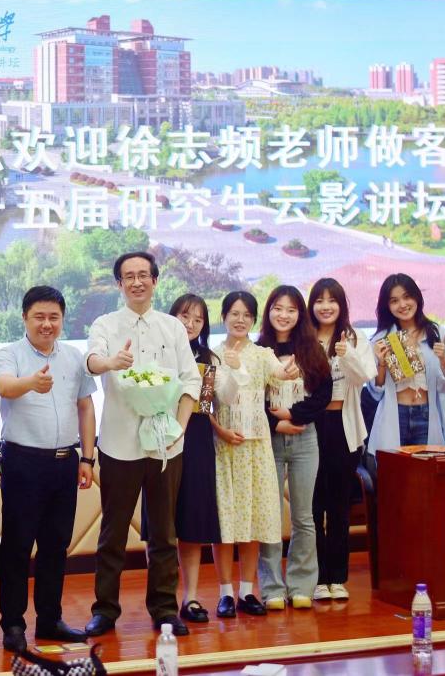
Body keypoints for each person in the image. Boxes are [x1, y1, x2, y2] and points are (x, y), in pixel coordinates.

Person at [84, 252, 201, 638]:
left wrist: (179, 428)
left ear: (154, 280)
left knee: (165, 533)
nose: (137, 282)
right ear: (119, 284)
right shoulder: (105, 324)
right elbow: (92, 360)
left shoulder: (172, 327)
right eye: (128, 277)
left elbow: (190, 380)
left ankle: (165, 609)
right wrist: (111, 362)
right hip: (119, 444)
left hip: (166, 445)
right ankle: (105, 611)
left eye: (143, 275)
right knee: (113, 533)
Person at [0, 286, 97, 653]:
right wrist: (31, 384)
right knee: (17, 546)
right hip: (23, 462)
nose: (47, 324)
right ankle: (13, 623)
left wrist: (87, 458)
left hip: (65, 462)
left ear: (63, 319)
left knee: (56, 545)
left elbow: (85, 406)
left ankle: (50, 620)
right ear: (24, 317)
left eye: (54, 317)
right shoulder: (10, 354)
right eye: (39, 316)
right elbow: (4, 387)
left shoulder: (73, 357)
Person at [140, 294, 244, 623]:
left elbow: (214, 403)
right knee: (160, 525)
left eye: (198, 320)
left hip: (197, 439)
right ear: (172, 316)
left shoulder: (208, 358)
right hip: (158, 436)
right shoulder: (154, 349)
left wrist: (232, 370)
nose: (190, 324)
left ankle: (192, 597)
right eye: (185, 316)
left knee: (192, 521)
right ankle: (162, 599)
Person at [211, 291, 297, 618]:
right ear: (223, 317)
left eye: (246, 315)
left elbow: (282, 374)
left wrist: (291, 371)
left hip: (257, 447)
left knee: (254, 520)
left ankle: (247, 591)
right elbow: (215, 400)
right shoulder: (213, 356)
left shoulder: (263, 354)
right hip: (225, 448)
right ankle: (225, 593)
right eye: (234, 313)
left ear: (253, 319)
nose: (240, 320)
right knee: (225, 523)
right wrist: (220, 430)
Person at [256, 286, 332, 611]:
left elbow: (323, 396)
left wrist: (292, 414)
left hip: (305, 439)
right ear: (268, 311)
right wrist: (277, 424)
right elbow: (249, 399)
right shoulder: (258, 350)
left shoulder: (312, 350)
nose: (283, 315)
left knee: (304, 517)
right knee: (270, 516)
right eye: (278, 308)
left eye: (291, 309)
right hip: (268, 440)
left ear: (300, 314)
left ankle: (302, 585)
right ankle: (272, 587)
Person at [308, 278, 376, 602]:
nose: (325, 306)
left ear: (341, 304)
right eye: (319, 300)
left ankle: (337, 577)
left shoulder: (354, 337)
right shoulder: (305, 337)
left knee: (338, 507)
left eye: (331, 300)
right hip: (311, 426)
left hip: (343, 427)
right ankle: (317, 578)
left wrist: (346, 354)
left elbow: (366, 376)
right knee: (312, 507)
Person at [366, 274, 445, 476]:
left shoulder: (438, 333)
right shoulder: (381, 339)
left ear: (417, 297)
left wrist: (444, 361)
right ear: (387, 306)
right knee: (394, 478)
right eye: (394, 301)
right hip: (395, 415)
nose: (402, 305)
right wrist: (382, 363)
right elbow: (375, 392)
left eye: (407, 297)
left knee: (424, 478)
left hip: (426, 415)